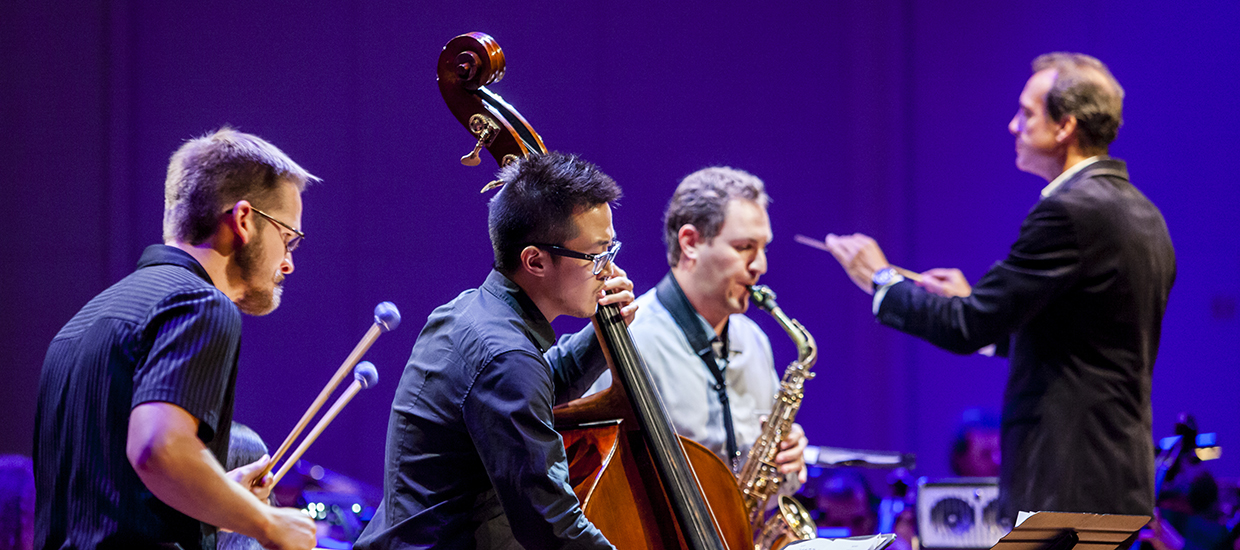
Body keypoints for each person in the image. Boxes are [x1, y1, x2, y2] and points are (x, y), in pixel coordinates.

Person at [824, 53, 1175, 519]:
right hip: (1117, 478)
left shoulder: (1068, 212)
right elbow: (1079, 345)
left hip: (1066, 484)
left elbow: (965, 328)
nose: (1013, 126)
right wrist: (976, 304)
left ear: (1065, 125)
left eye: (1026, 113)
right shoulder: (1143, 213)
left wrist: (880, 279)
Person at [33, 128, 319, 550]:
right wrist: (267, 523)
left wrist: (217, 501)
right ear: (244, 220)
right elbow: (156, 447)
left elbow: (108, 502)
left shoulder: (83, 321)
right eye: (287, 238)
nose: (289, 263)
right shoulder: (200, 304)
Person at [354, 152, 636, 550]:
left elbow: (540, 385)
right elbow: (550, 523)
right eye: (596, 255)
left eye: (612, 250)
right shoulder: (506, 357)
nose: (608, 269)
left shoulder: (466, 311)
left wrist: (606, 329)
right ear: (535, 261)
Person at [589, 167, 807, 489]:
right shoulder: (630, 340)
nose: (760, 266)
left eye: (763, 248)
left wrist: (788, 459)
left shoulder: (754, 340)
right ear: (690, 242)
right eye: (744, 246)